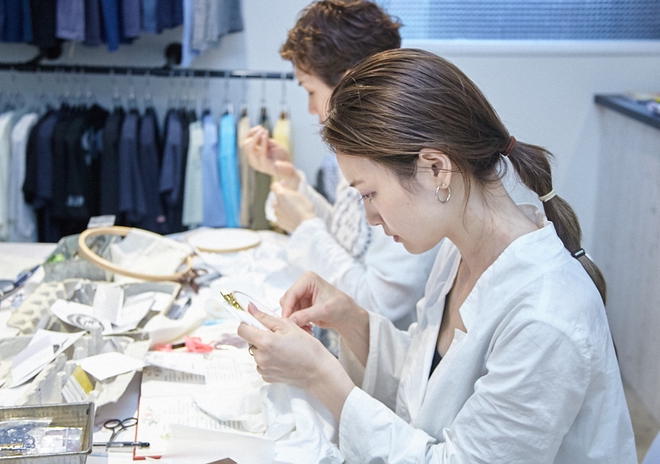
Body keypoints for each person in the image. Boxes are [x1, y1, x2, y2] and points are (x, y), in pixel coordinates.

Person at [238, 49, 637, 462]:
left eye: (370, 194)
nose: (370, 217)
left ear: (435, 169)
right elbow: (425, 385)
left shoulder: (546, 318)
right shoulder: (458, 249)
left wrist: (320, 376)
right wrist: (351, 319)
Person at [242, 0, 437, 330]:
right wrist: (293, 183)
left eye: (310, 91)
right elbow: (351, 241)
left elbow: (379, 304)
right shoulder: (357, 152)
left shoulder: (402, 168)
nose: (310, 109)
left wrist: (304, 226)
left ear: (349, 85)